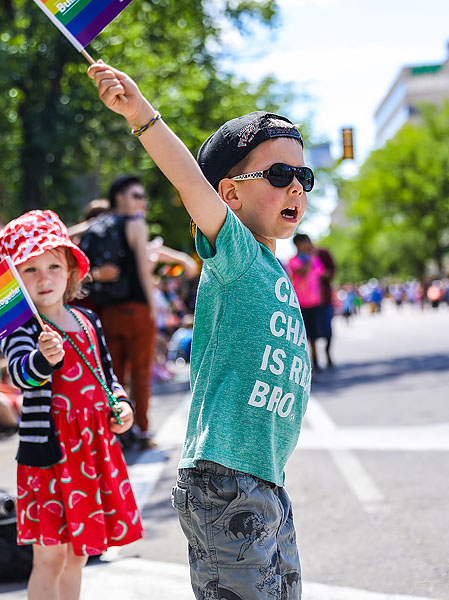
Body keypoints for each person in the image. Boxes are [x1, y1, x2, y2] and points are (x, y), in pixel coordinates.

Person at [90, 62, 311, 599]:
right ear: (230, 195)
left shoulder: (270, 266)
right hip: (227, 479)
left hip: (264, 479)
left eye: (304, 177)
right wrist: (140, 114)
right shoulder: (234, 253)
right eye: (279, 175)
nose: (296, 188)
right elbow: (188, 177)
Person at [0, 210, 143, 600]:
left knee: (79, 554)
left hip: (92, 451)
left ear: (71, 270)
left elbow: (107, 374)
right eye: (30, 269)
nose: (44, 278)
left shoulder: (88, 320)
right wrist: (44, 358)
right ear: (15, 280)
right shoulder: (22, 327)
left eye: (53, 265)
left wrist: (121, 404)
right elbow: (20, 375)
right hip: (50, 456)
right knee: (49, 557)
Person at [77, 175, 157, 449]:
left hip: (107, 313)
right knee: (142, 373)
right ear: (120, 197)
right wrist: (153, 307)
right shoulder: (135, 224)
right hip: (136, 309)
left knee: (115, 374)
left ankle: (116, 431)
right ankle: (142, 430)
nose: (142, 202)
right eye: (137, 195)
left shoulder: (96, 226)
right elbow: (144, 273)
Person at [287, 233, 329, 373]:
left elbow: (321, 274)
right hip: (301, 304)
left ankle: (316, 362)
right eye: (305, 242)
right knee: (304, 336)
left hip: (315, 302)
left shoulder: (314, 259)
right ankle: (305, 365)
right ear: (298, 244)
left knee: (315, 335)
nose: (308, 244)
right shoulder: (294, 260)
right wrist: (310, 259)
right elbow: (302, 272)